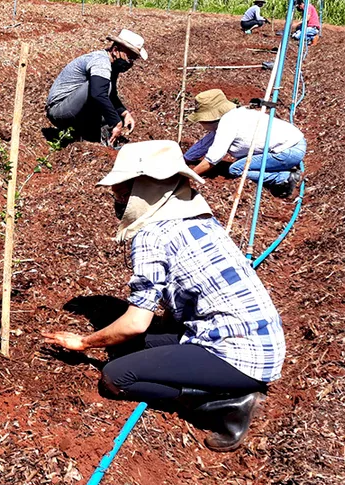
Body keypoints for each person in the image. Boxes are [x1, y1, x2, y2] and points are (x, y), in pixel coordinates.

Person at [41, 141, 285, 451]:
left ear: (144, 189)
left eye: (121, 190)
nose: (117, 198)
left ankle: (223, 406)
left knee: (117, 376)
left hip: (241, 357)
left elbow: (135, 323)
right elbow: (175, 301)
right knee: (126, 349)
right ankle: (220, 388)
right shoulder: (198, 219)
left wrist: (85, 342)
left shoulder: (152, 235)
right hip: (259, 342)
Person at [184, 89, 305, 198]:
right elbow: (204, 144)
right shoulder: (233, 116)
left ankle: (284, 178)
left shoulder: (228, 123)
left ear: (210, 117)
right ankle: (281, 169)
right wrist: (184, 159)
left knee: (236, 169)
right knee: (242, 162)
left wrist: (188, 176)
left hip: (288, 151)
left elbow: (213, 158)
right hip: (294, 144)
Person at [45, 29, 147, 147]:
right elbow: (98, 93)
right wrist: (116, 123)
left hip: (72, 108)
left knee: (108, 100)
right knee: (102, 90)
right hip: (59, 110)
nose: (130, 63)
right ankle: (100, 139)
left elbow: (111, 95)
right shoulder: (101, 62)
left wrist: (125, 114)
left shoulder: (111, 65)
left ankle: (94, 137)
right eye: (130, 57)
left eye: (133, 60)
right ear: (115, 50)